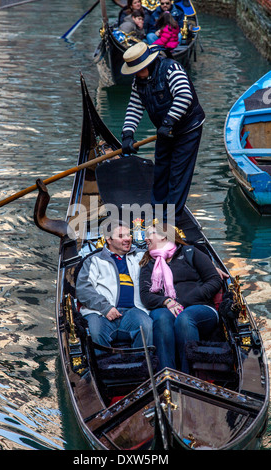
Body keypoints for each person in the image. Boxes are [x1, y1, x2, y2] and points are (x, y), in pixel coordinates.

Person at [120, 41, 205, 225]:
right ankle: (157, 216)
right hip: (165, 131)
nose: (135, 74)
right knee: (160, 173)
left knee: (177, 175)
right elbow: (135, 107)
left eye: (137, 69)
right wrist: (127, 134)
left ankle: (169, 223)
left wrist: (168, 122)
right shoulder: (139, 81)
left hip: (188, 128)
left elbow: (185, 95)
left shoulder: (170, 69)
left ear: (147, 64)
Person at [139, 223, 223, 373]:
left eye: (149, 234)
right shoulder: (148, 263)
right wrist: (166, 301)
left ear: (164, 236)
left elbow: (215, 280)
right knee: (161, 318)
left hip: (201, 307)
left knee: (185, 318)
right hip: (166, 308)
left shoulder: (190, 252)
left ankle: (189, 375)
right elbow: (146, 295)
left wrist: (186, 301)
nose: (145, 239)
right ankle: (167, 375)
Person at [75, 220, 153, 351]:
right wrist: (106, 308)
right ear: (109, 239)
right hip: (100, 312)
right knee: (94, 331)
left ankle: (142, 366)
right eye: (121, 236)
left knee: (146, 325)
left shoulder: (141, 256)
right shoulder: (94, 260)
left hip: (133, 311)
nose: (128, 239)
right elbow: (83, 290)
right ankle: (102, 369)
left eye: (129, 235)